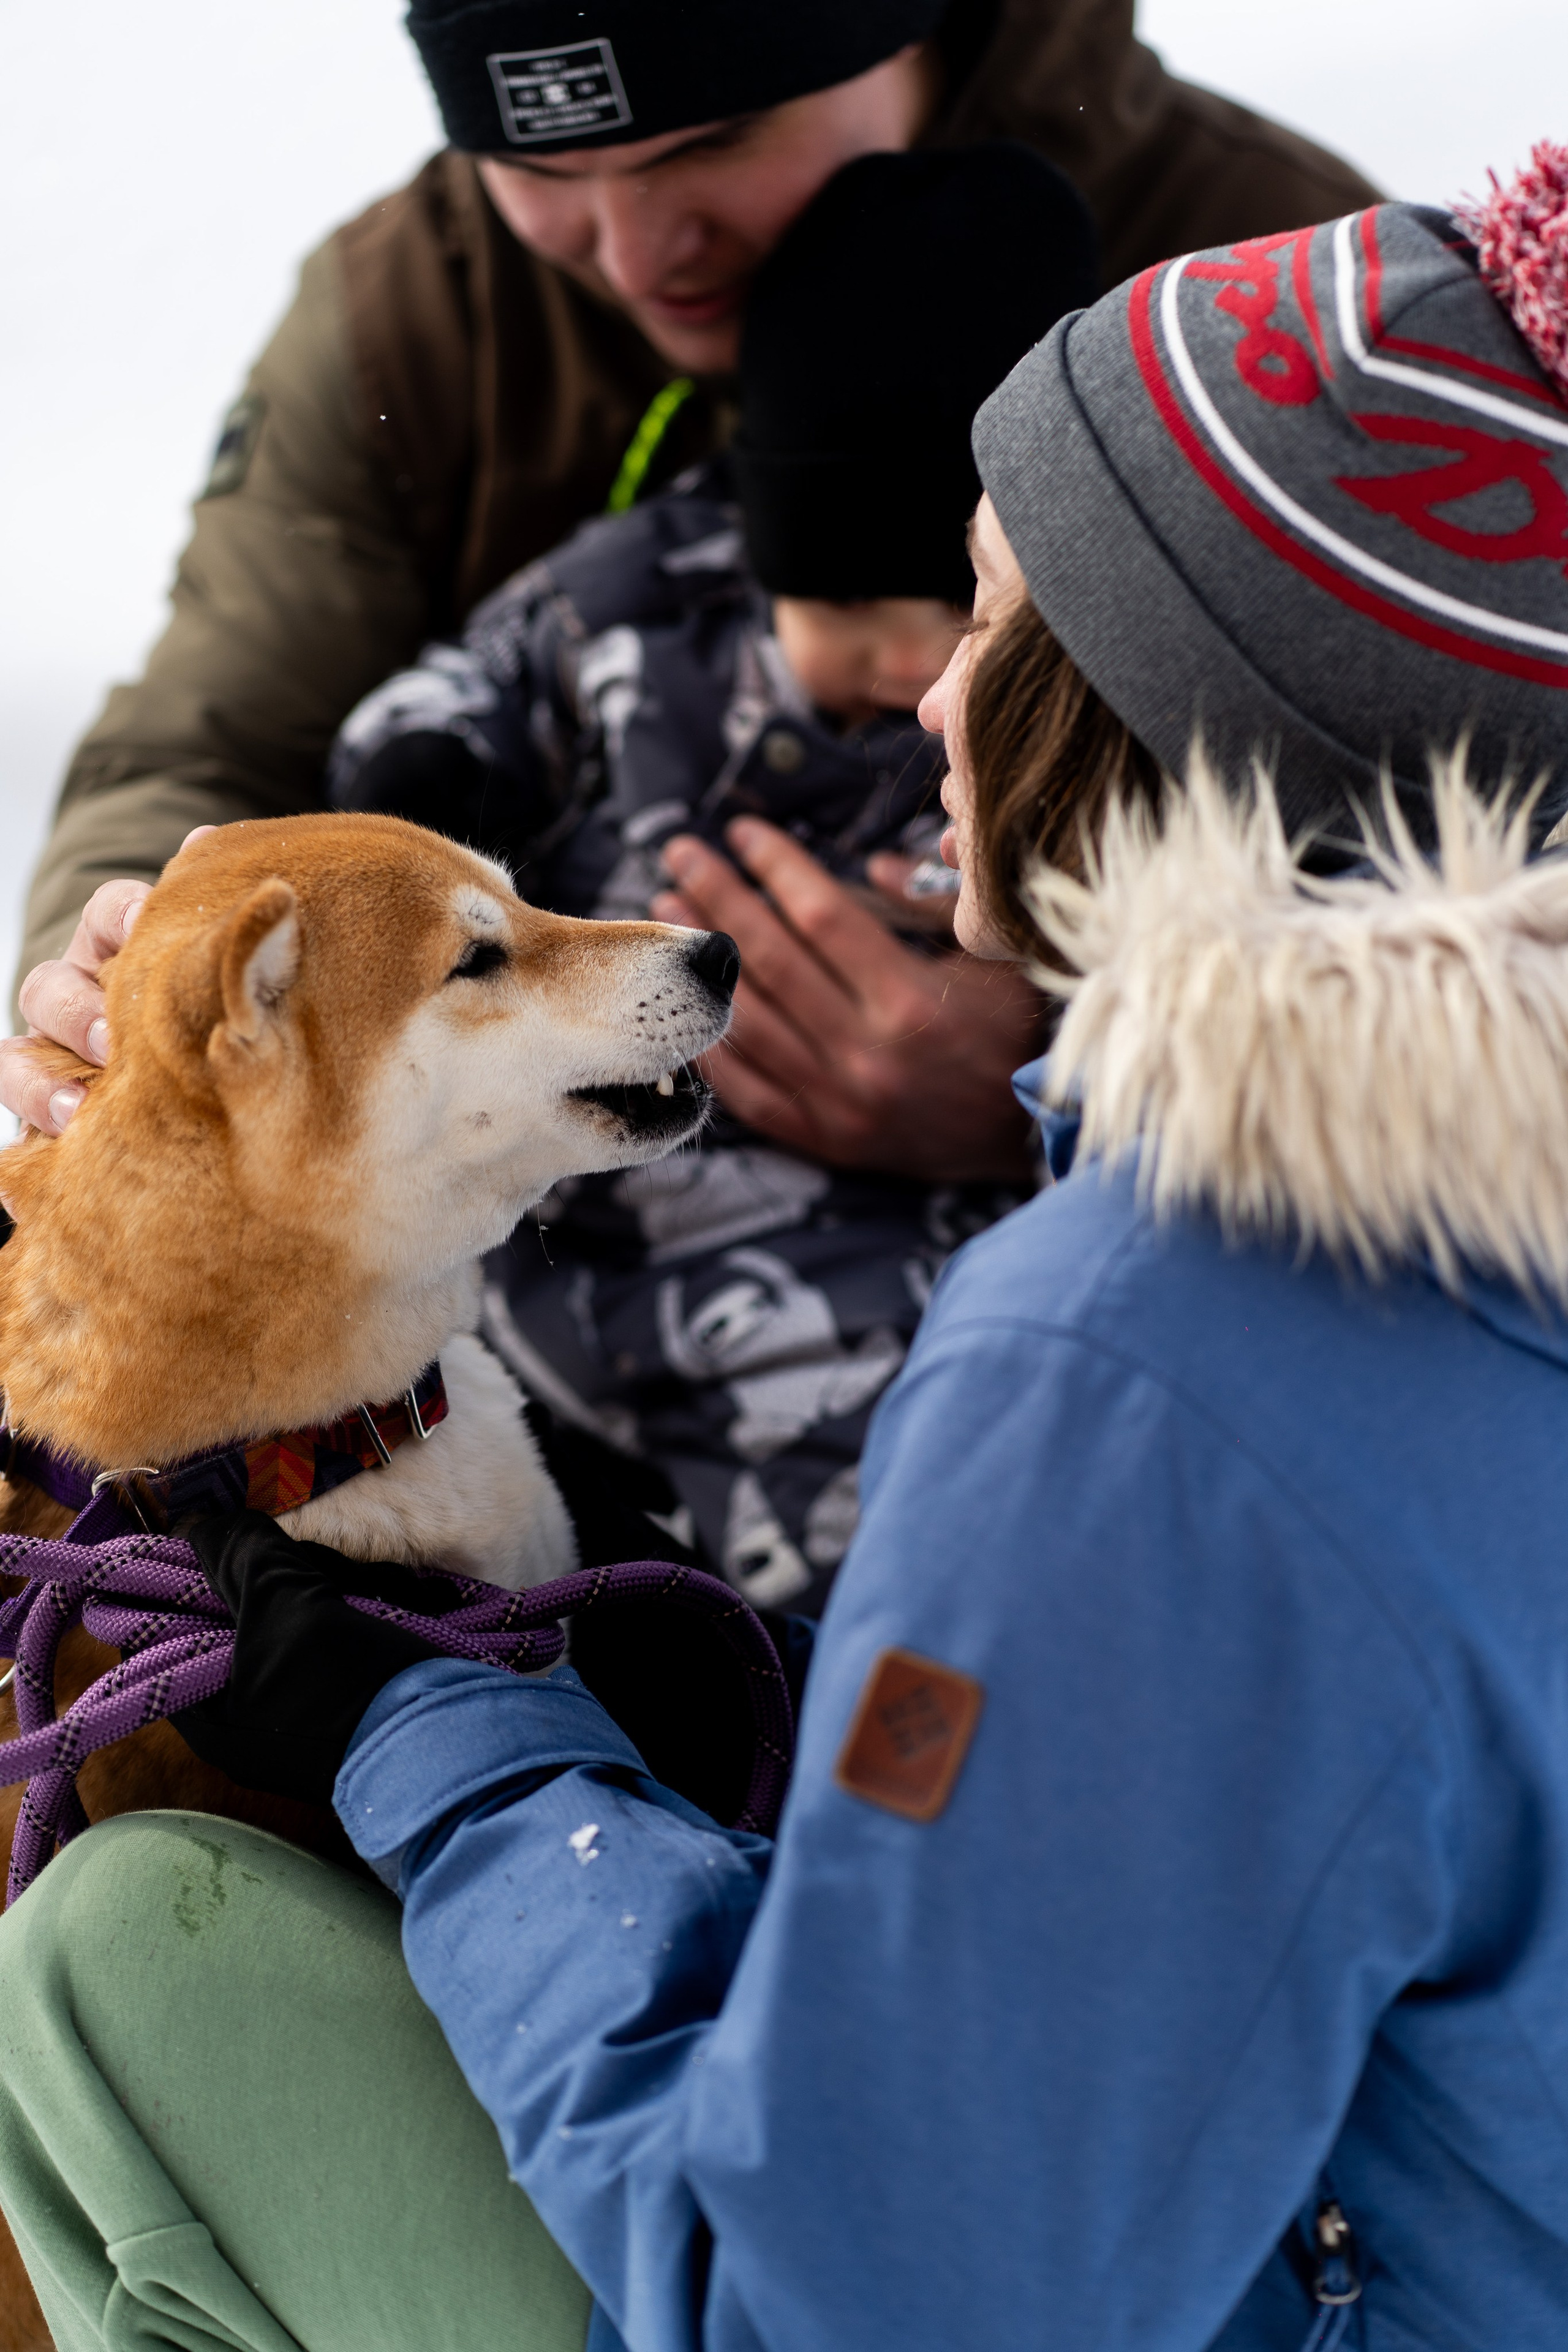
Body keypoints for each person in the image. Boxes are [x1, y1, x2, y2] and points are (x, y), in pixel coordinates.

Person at [5, 150, 1568, 2351]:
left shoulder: (1139, 1356)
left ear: (1174, 702)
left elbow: (848, 2303)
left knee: (111, 1955)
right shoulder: (1483, 1248)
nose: (926, 702)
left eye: (1002, 617)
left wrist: (467, 1748)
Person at [1, 0, 1379, 1190]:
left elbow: (1480, 879)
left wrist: (1090, 1078)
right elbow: (208, 742)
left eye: (706, 144)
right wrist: (120, 977)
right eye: (540, 166)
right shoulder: (415, 310)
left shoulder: (1274, 285)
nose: (634, 251)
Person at [323, 141, 1096, 1611]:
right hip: (569, 1254)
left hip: (869, 1283)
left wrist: (1039, 1056)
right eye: (842, 604)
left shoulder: (1047, 712)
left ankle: (853, 1728)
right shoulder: (626, 609)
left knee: (909, 1544)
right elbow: (450, 696)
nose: (896, 671)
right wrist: (423, 793)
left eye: (950, 610)